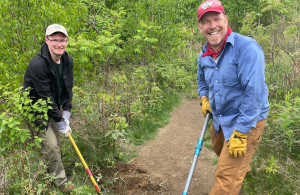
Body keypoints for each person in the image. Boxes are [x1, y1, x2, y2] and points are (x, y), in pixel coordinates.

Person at [196, 0, 269, 194]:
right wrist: (204, 98)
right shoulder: (204, 53)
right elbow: (202, 81)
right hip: (220, 119)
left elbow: (254, 95)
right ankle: (242, 169)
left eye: (216, 19)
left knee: (225, 177)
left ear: (225, 20)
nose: (212, 26)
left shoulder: (246, 48)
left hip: (247, 120)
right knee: (221, 151)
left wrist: (241, 132)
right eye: (206, 22)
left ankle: (237, 172)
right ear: (200, 27)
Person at [23, 24, 75, 193]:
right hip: (37, 108)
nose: (59, 44)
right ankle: (61, 183)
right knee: (52, 145)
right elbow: (45, 97)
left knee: (55, 144)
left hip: (53, 105)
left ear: (66, 41)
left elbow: (68, 87)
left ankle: (50, 173)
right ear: (47, 41)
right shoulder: (38, 64)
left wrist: (66, 112)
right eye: (54, 40)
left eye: (63, 40)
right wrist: (59, 120)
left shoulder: (68, 60)